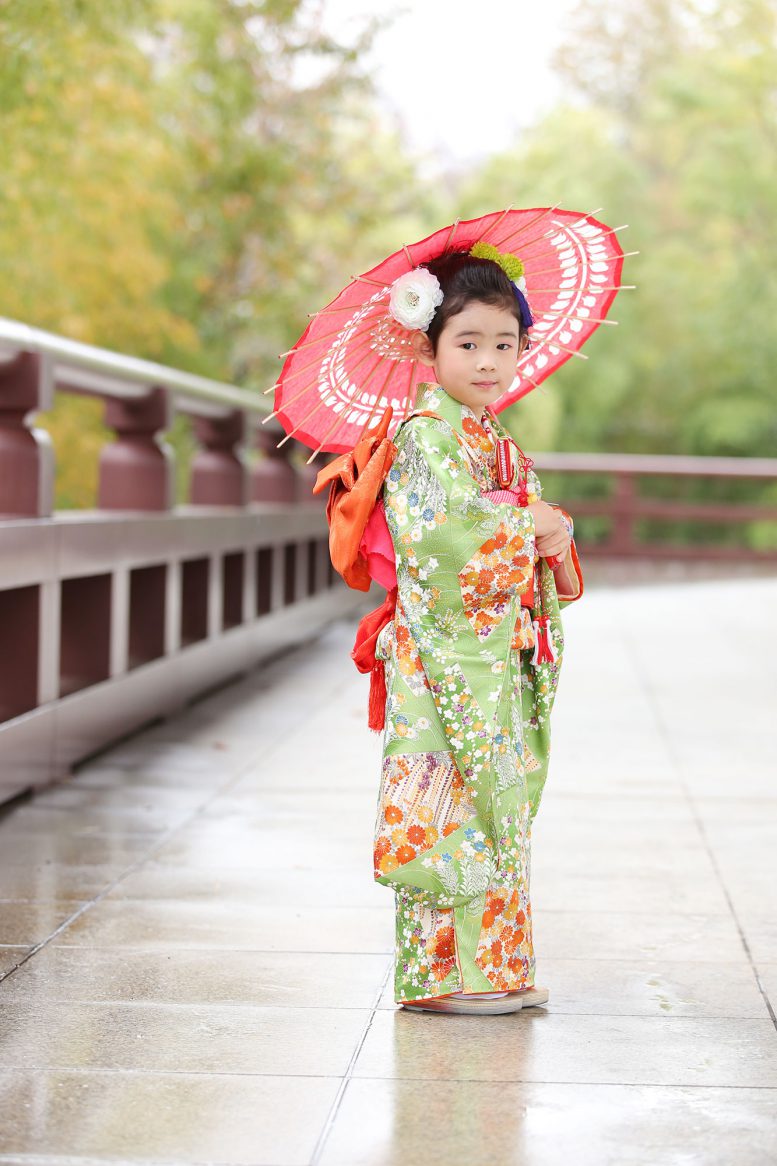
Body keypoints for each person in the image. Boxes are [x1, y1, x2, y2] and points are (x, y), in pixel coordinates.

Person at [370, 250, 582, 1015]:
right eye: (467, 343)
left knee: (501, 804)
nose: (489, 361)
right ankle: (443, 978)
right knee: (450, 809)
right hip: (444, 658)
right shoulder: (425, 437)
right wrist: (529, 522)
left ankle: (494, 968)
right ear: (428, 349)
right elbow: (443, 540)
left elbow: (529, 536)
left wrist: (548, 531)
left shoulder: (495, 441)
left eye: (505, 343)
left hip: (492, 655)